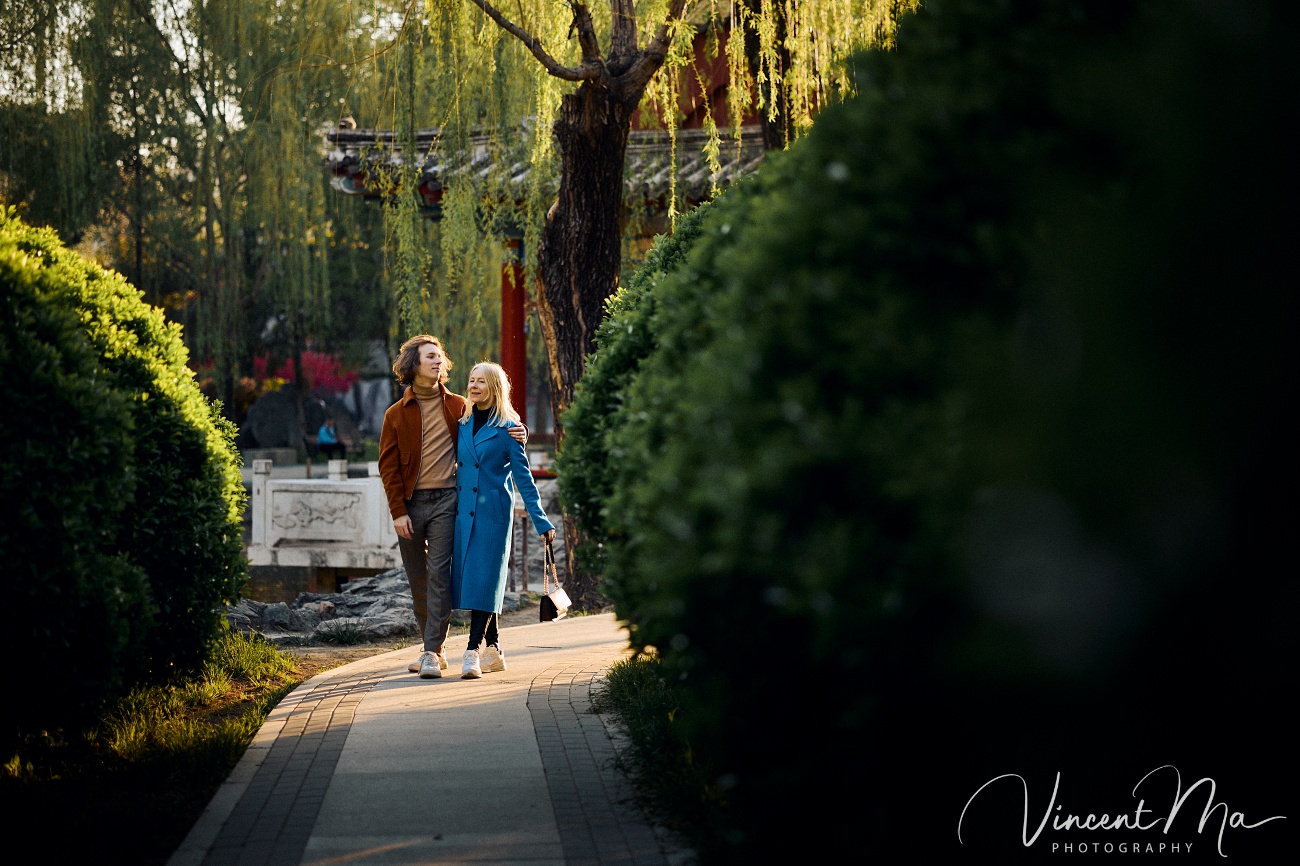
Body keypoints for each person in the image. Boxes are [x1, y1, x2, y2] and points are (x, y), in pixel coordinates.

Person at [378, 336, 526, 679]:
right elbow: (388, 467)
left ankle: (432, 651)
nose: (438, 361)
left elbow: (495, 422)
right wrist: (398, 511)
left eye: (440, 357)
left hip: (448, 501)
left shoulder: (458, 405)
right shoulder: (395, 414)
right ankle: (434, 648)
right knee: (418, 578)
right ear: (413, 364)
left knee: (438, 575)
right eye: (430, 356)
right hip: (410, 506)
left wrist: (522, 431)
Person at [451, 361, 556, 679]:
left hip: (493, 517)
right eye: (471, 380)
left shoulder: (509, 429)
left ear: (494, 387)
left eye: (481, 381)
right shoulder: (462, 423)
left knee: (485, 580)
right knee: (480, 581)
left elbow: (525, 480)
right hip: (464, 515)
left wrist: (541, 521)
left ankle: (472, 651)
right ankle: (494, 648)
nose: (473, 386)